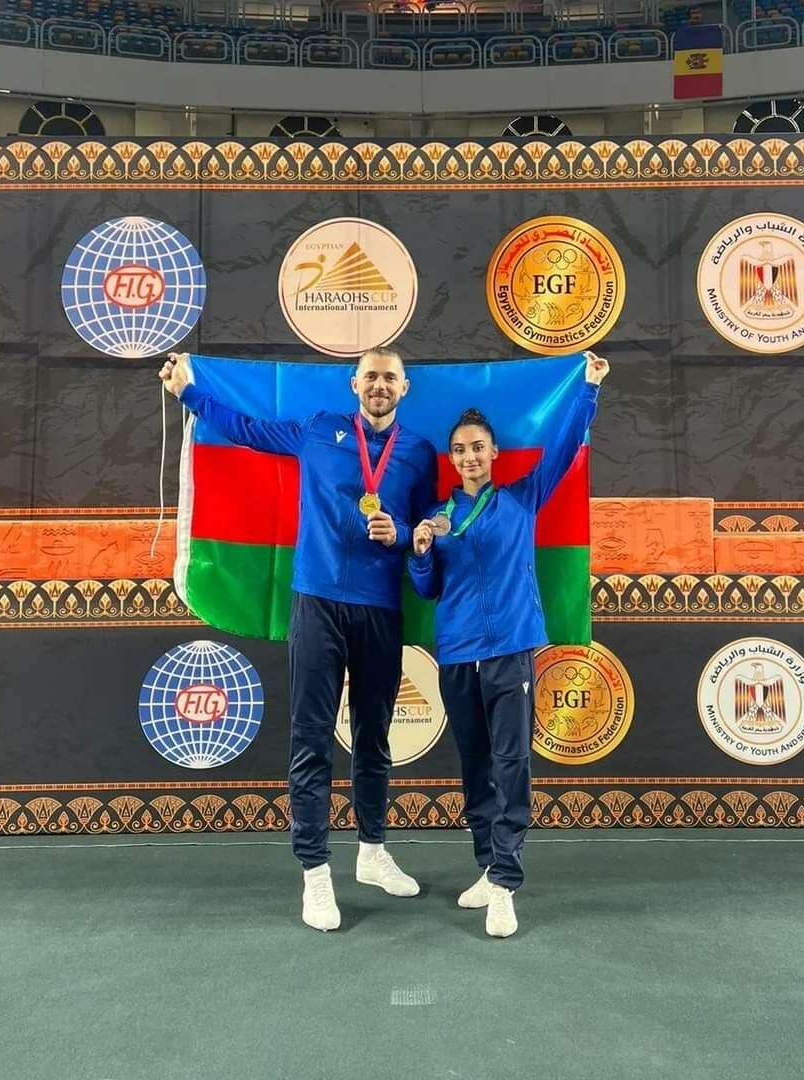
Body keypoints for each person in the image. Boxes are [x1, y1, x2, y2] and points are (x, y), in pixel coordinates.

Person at [159, 348, 437, 932]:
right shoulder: (317, 430)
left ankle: (372, 851)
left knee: (373, 736)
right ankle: (315, 872)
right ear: (353, 383)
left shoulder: (418, 452)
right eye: (370, 376)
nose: (379, 385)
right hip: (316, 601)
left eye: (389, 377)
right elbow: (245, 428)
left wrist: (401, 530)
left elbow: (426, 526)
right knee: (311, 737)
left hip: (380, 608)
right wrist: (189, 392)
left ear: (405, 387)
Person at [407, 351, 609, 938]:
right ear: (452, 459)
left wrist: (589, 390)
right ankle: (485, 865)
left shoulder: (521, 498)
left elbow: (565, 446)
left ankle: (506, 882)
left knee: (511, 762)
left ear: (494, 453)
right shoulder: (438, 516)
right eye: (460, 449)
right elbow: (427, 589)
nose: (469, 456)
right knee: (474, 765)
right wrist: (420, 553)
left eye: (478, 447)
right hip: (456, 655)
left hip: (510, 650)